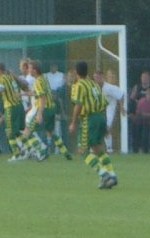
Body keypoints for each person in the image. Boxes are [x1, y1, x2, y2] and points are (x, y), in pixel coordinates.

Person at [69, 61, 118, 189]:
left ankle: (104, 174)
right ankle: (112, 175)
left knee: (82, 150)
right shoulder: (93, 84)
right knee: (97, 149)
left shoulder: (79, 85)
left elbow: (78, 105)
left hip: (89, 119)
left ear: (76, 72)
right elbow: (103, 103)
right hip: (100, 116)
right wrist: (105, 125)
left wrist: (73, 123)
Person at [0, 62, 43, 161]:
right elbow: (23, 84)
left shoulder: (1, 78)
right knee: (18, 131)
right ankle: (29, 149)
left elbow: (0, 90)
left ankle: (17, 154)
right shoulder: (11, 77)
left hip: (11, 107)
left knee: (9, 132)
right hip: (20, 106)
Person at [24, 61, 72, 160]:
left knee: (27, 132)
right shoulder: (43, 79)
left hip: (45, 109)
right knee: (50, 132)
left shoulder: (38, 81)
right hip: (52, 108)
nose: (28, 70)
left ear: (35, 70)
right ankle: (65, 152)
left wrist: (40, 114)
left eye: (30, 68)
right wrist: (22, 94)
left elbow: (42, 98)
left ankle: (42, 151)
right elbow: (38, 93)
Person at [97, 69, 125, 153]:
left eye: (112, 76)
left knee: (107, 128)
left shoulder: (110, 88)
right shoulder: (95, 87)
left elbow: (121, 95)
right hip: (99, 109)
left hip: (109, 109)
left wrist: (121, 108)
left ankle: (109, 148)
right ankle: (94, 148)